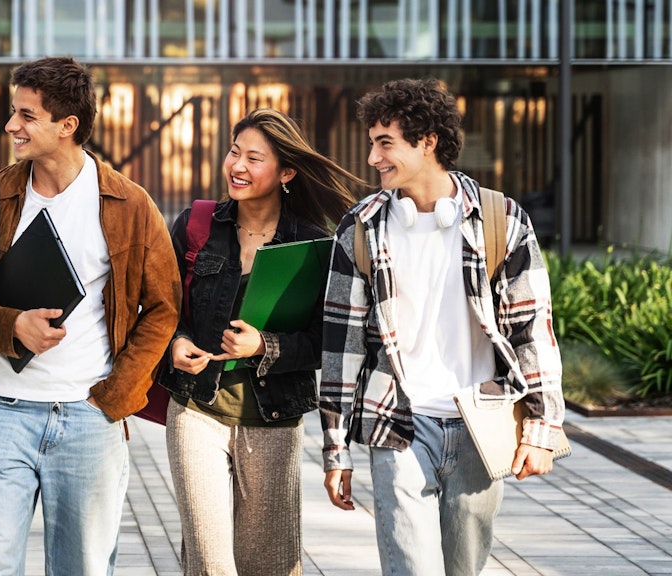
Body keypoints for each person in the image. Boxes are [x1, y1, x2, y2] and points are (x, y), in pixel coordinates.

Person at [320, 78, 565, 575]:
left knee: (463, 569)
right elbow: (340, 348)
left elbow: (532, 329)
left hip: (482, 424)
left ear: (427, 140)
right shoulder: (361, 228)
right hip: (398, 423)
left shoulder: (502, 220)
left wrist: (543, 424)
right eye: (372, 143)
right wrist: (335, 449)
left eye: (384, 143)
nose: (373, 158)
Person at [0, 56, 181, 576]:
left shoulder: (130, 205)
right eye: (14, 112)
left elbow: (163, 307)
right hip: (1, 412)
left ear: (67, 125)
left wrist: (116, 397)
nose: (12, 126)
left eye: (27, 115)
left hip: (87, 418)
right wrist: (10, 325)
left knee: (83, 569)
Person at [160, 108, 365, 575]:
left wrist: (264, 347)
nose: (237, 166)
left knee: (270, 565)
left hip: (274, 420)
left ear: (286, 172)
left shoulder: (315, 246)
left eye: (255, 158)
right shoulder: (197, 223)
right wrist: (175, 342)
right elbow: (163, 308)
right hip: (196, 411)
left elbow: (324, 342)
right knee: (212, 564)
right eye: (235, 152)